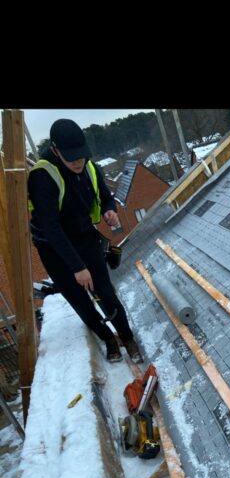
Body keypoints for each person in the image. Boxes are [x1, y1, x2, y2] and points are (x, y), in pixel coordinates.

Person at [27, 118, 143, 363]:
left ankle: (127, 337)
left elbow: (105, 196)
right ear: (56, 151)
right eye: (72, 158)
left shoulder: (88, 166)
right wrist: (77, 267)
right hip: (53, 247)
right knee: (79, 299)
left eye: (81, 155)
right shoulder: (42, 176)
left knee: (105, 293)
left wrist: (109, 210)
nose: (78, 162)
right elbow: (51, 228)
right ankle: (108, 339)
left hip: (83, 236)